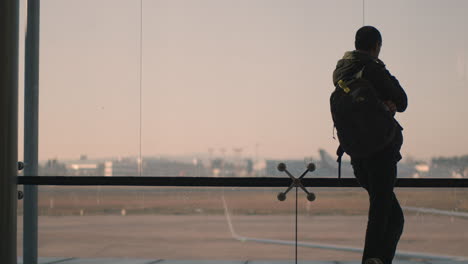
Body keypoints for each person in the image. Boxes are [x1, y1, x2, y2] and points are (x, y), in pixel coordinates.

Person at [332, 26, 408, 264]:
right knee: (382, 214)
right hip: (380, 151)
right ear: (377, 46)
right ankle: (372, 260)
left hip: (357, 154)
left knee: (391, 216)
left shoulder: (341, 71)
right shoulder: (373, 70)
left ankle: (376, 260)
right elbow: (403, 101)